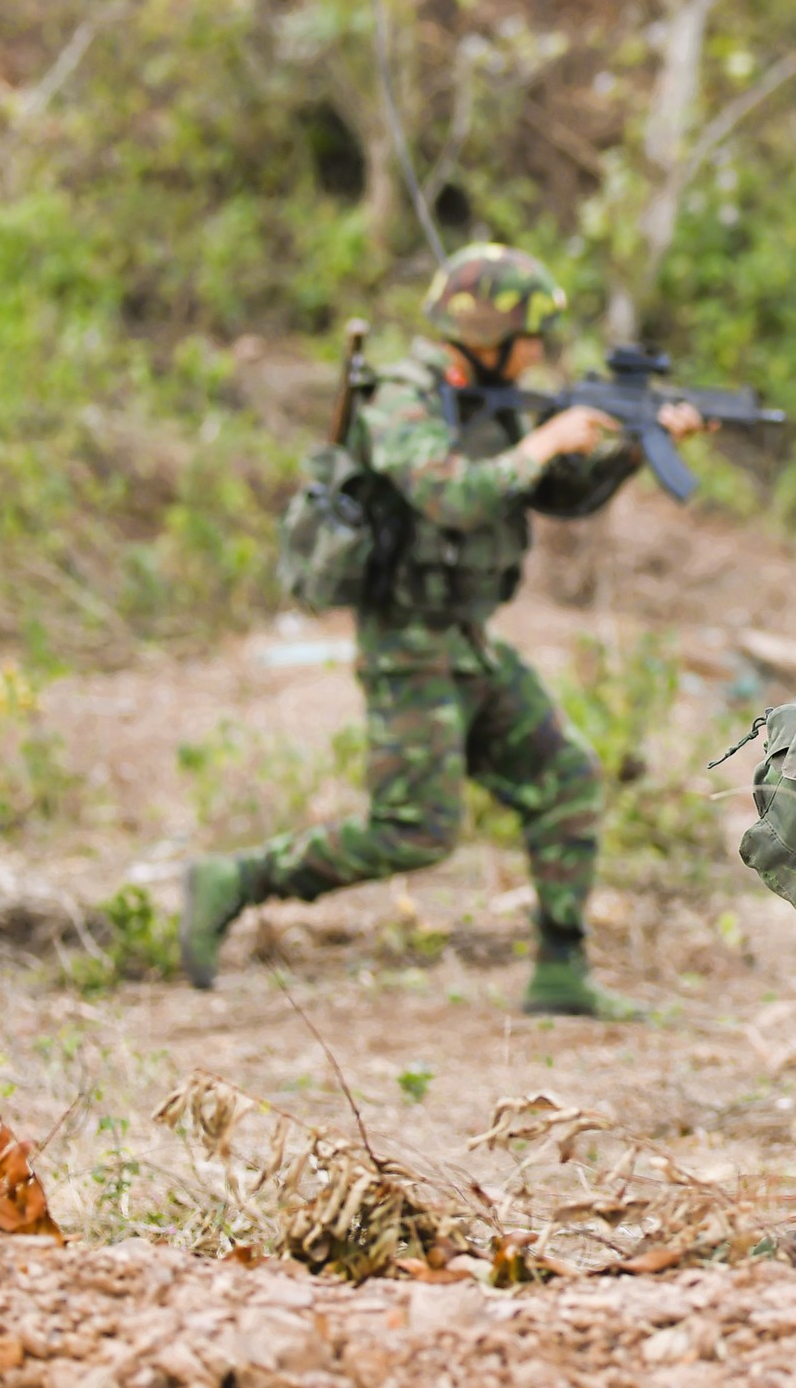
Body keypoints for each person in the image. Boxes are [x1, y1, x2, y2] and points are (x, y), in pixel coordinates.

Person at [179, 243, 706, 1020]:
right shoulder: (404, 394)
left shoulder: (496, 399)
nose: (538, 353)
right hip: (408, 644)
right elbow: (446, 495)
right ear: (488, 330)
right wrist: (541, 443)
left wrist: (633, 446)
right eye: (530, 335)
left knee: (567, 778)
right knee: (414, 832)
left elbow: (561, 495)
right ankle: (235, 879)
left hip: (468, 639)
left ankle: (561, 970)